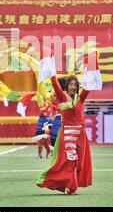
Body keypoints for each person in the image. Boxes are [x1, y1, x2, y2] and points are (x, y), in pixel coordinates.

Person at [36, 51, 101, 195]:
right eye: (70, 84)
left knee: (80, 162)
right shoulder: (61, 97)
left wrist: (93, 65)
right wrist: (51, 70)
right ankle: (72, 188)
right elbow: (54, 83)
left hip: (81, 134)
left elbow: (89, 85)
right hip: (67, 133)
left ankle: (68, 184)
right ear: (66, 87)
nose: (73, 87)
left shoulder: (80, 98)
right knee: (71, 159)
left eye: (75, 85)